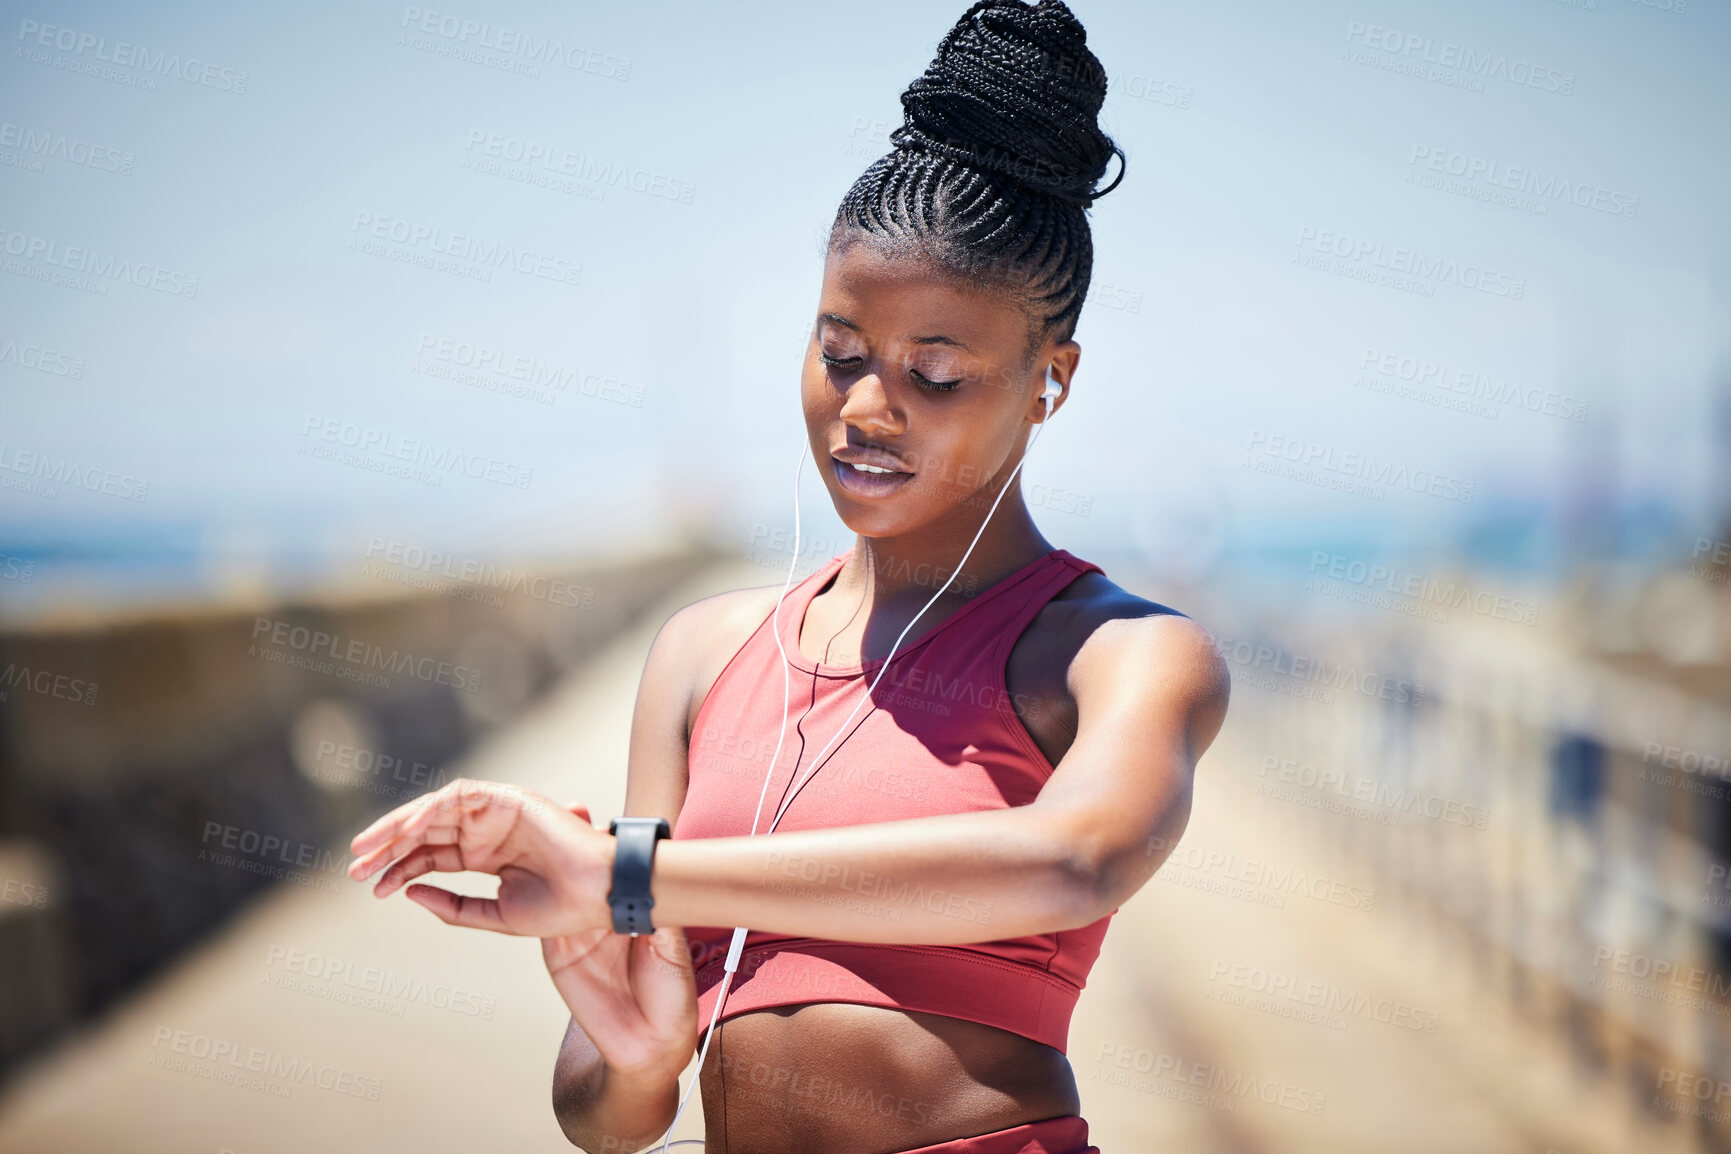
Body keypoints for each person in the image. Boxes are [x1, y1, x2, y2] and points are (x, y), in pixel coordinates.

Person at [348, 2, 1230, 1151]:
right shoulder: (704, 652)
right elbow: (605, 1118)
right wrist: (638, 1045)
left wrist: (634, 874)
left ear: (1049, 379)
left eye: (938, 371)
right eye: (841, 352)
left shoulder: (1118, 650)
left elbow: (1074, 858)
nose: (866, 407)